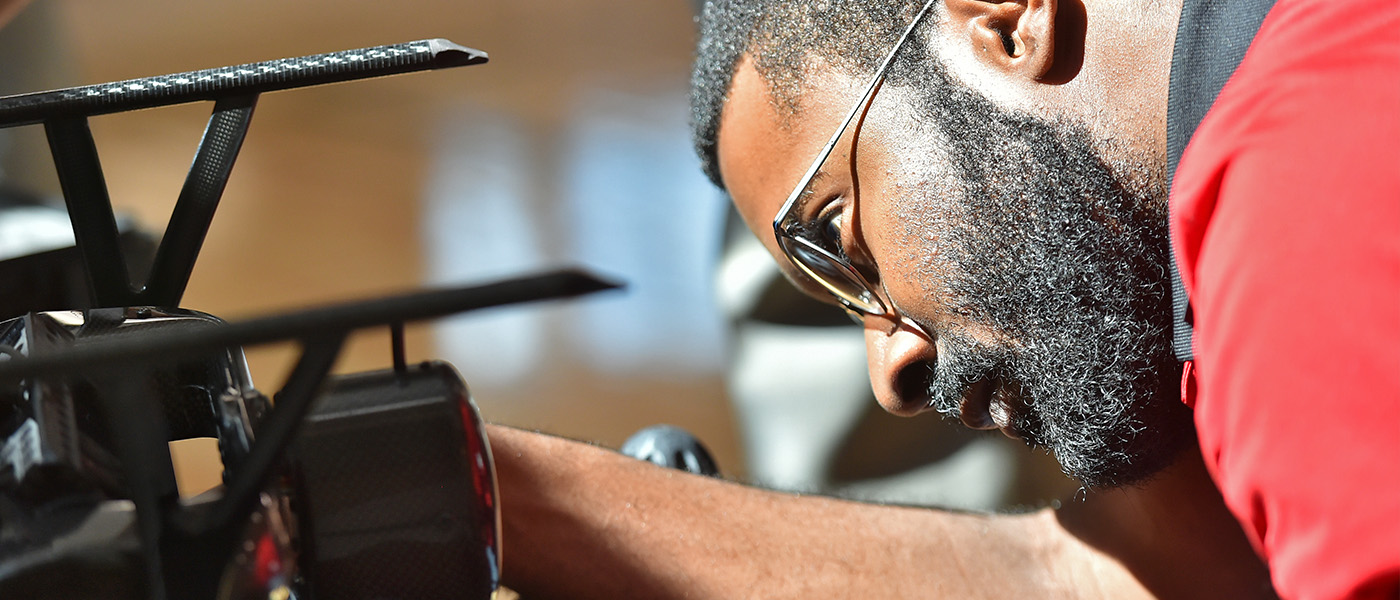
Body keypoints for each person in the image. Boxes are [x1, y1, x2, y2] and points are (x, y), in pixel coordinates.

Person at [490, 0, 1398, 598]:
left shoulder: (1289, 197)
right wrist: (488, 493)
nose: (891, 371)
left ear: (1006, 19)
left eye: (842, 246)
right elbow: (1112, 577)